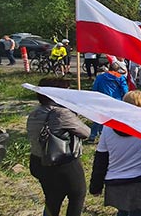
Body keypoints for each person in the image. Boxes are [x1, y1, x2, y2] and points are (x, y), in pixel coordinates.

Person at [27, 78, 90, 216]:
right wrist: (73, 112)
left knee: (52, 198)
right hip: (63, 162)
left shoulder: (35, 112)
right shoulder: (61, 113)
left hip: (38, 161)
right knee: (77, 195)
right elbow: (86, 132)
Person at [89, 90, 141, 216]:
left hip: (116, 182)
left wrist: (96, 186)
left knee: (122, 212)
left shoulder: (108, 127)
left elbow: (101, 159)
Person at [89, 62, 129, 143]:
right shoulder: (120, 77)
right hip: (116, 101)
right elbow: (125, 90)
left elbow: (95, 88)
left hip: (102, 100)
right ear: (117, 70)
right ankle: (110, 136)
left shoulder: (100, 77)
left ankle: (93, 136)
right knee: (113, 120)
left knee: (99, 119)